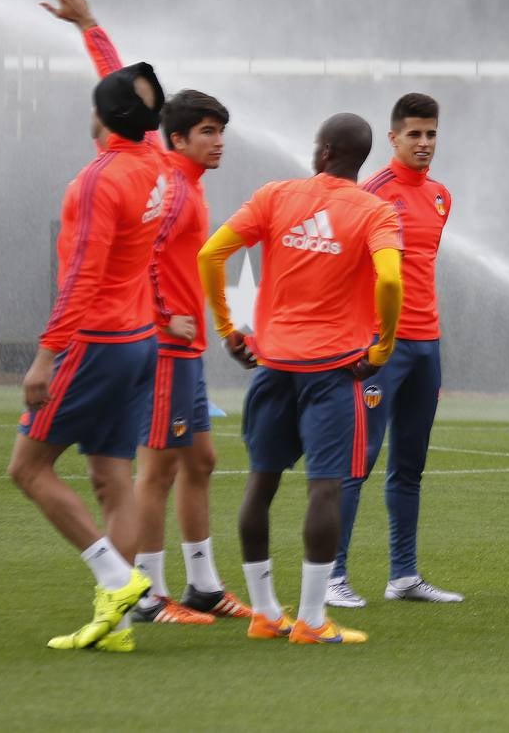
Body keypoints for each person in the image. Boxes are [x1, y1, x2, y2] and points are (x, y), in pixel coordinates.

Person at [41, 0, 251, 626]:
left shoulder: (174, 174)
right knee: (153, 471)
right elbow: (142, 259)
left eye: (222, 131)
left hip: (183, 343)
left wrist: (91, 25)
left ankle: (203, 586)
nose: (219, 142)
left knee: (201, 461)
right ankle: (147, 595)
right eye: (208, 132)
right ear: (177, 137)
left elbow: (121, 86)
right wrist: (166, 316)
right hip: (160, 341)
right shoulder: (163, 179)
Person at [198, 113, 404, 645]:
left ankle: (265, 613)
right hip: (331, 373)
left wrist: (228, 328)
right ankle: (312, 621)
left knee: (260, 485)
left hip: (273, 368)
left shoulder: (274, 195)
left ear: (324, 152)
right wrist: (381, 345)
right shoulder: (376, 212)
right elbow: (389, 277)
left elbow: (211, 254)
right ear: (359, 160)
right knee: (325, 489)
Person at [9, 58, 169, 653]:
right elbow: (136, 100)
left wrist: (45, 357)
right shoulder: (153, 159)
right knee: (111, 478)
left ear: (102, 115)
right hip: (139, 343)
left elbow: (80, 280)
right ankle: (118, 626)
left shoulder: (98, 180)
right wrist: (88, 26)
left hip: (96, 344)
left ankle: (116, 578)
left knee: (27, 469)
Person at [330, 93, 461, 608]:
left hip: (426, 349)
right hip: (381, 350)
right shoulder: (372, 194)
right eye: (414, 135)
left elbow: (423, 274)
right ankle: (334, 575)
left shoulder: (441, 197)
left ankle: (403, 576)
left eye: (431, 134)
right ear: (393, 138)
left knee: (410, 465)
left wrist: (433, 347)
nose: (425, 143)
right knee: (356, 461)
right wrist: (361, 341)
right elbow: (352, 272)